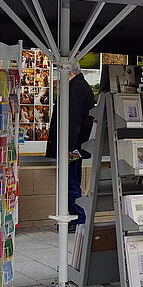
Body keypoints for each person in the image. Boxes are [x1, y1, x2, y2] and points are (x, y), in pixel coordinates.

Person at [46, 62, 95, 233]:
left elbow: (73, 122)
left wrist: (69, 148)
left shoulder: (76, 88)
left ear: (69, 70)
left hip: (71, 147)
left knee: (71, 182)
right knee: (71, 181)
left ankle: (77, 217)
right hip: (73, 146)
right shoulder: (81, 86)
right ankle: (76, 216)